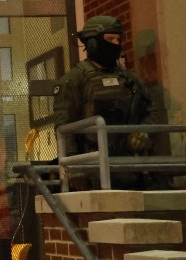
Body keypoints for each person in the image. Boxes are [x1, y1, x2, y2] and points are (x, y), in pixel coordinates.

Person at [52, 15, 159, 189]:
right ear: (92, 43)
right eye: (110, 39)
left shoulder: (129, 79)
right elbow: (64, 129)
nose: (116, 44)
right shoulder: (74, 80)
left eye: (118, 39)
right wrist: (74, 169)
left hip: (130, 168)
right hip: (92, 169)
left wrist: (143, 132)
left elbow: (150, 111)